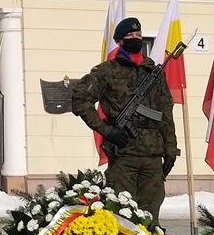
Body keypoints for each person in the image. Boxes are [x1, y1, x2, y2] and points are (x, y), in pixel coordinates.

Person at [70, 17, 179, 219]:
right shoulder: (107, 71)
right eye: (130, 36)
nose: (136, 39)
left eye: (139, 35)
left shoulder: (153, 72)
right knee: (122, 215)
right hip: (124, 155)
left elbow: (166, 112)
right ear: (120, 41)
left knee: (150, 216)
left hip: (153, 156)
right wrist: (107, 131)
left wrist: (170, 148)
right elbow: (80, 100)